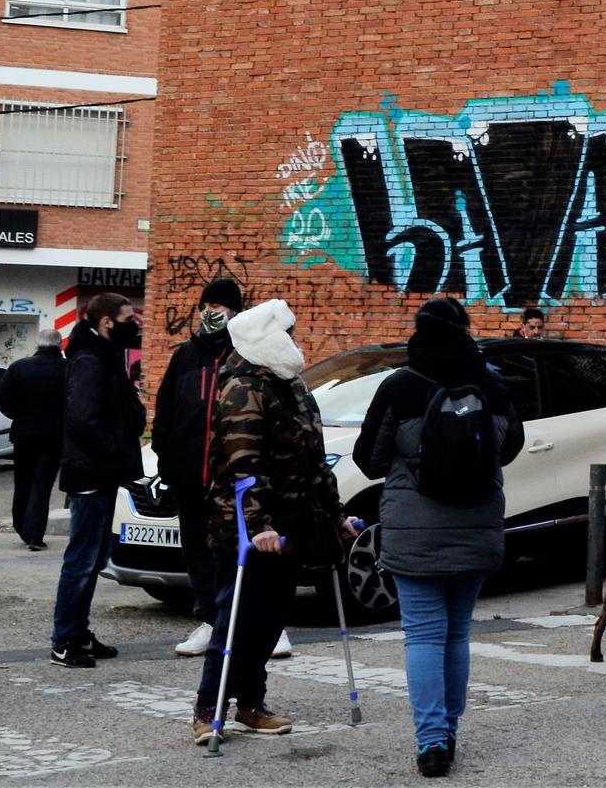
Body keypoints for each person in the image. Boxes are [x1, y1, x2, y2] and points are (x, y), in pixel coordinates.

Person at [352, 298, 523, 778]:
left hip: (413, 526)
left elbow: (370, 460)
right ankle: (449, 729)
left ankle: (431, 742)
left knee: (423, 634)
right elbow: (510, 448)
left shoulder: (399, 386)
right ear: (465, 331)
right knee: (457, 632)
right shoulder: (491, 383)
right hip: (477, 523)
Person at [192, 300, 354, 744]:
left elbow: (316, 459)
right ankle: (209, 708)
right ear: (268, 339)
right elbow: (246, 465)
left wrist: (336, 515)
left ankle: (250, 703)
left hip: (293, 523)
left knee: (269, 619)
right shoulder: (243, 387)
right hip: (245, 529)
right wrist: (259, 525)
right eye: (289, 332)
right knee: (236, 619)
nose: (295, 340)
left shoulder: (294, 386)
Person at [152, 278, 278, 658]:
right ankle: (210, 619)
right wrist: (165, 454)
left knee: (242, 551)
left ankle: (264, 623)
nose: (211, 312)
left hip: (233, 478)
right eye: (207, 304)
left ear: (235, 313)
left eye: (220, 306)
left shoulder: (247, 357)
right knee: (197, 551)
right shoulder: (185, 356)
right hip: (188, 475)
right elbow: (164, 410)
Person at [50, 292, 145, 669]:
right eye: (127, 318)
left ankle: (77, 632)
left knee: (93, 557)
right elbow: (82, 419)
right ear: (107, 322)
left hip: (101, 471)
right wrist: (115, 451)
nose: (133, 324)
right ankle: (64, 639)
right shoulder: (90, 359)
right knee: (82, 559)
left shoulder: (102, 354)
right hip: (91, 472)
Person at [0, 326, 66, 551]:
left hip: (24, 435)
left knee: (23, 482)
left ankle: (22, 527)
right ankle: (35, 534)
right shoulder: (67, 369)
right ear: (60, 345)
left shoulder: (19, 367)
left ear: (37, 344)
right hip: (54, 437)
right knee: (42, 485)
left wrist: (18, 414)